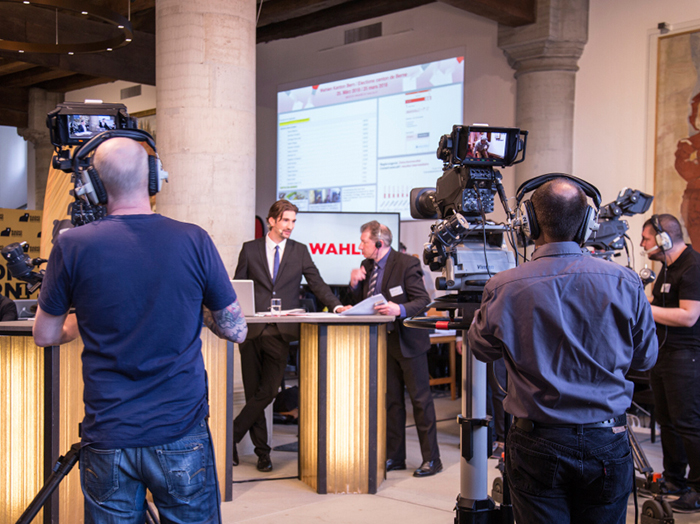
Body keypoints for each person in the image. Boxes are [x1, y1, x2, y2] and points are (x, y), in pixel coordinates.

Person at [33, 136, 247, 524]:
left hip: (109, 434)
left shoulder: (72, 245)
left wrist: (87, 315)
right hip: (181, 430)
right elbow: (236, 330)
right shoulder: (193, 238)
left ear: (95, 187)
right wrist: (190, 308)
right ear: (153, 178)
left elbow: (46, 334)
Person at [468, 176, 658, 523]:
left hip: (536, 443)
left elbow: (481, 348)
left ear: (530, 223)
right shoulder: (626, 281)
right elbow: (646, 358)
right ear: (587, 224)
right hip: (608, 440)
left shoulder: (503, 286)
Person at [233, 199, 348, 472]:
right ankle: (263, 454)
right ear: (272, 220)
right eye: (286, 220)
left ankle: (231, 435)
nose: (290, 226)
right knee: (253, 393)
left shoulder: (300, 251)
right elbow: (238, 286)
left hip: (280, 332)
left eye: (293, 221)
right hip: (251, 331)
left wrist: (336, 305)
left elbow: (317, 283)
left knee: (268, 392)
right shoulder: (250, 249)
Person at [348, 221, 441, 477]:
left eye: (364, 241)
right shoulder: (367, 267)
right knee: (392, 403)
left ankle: (432, 459)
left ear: (379, 243)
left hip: (409, 342)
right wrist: (354, 285)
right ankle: (395, 456)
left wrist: (397, 310)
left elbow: (422, 301)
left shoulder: (406, 263)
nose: (360, 246)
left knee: (421, 402)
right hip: (384, 343)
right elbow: (364, 304)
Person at [640, 213, 700, 513]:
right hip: (663, 355)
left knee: (689, 424)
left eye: (646, 238)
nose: (642, 244)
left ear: (664, 238)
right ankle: (676, 480)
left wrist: (645, 310)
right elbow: (658, 306)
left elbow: (689, 315)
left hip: (687, 357)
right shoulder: (665, 269)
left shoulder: (692, 267)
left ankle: (698, 489)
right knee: (667, 422)